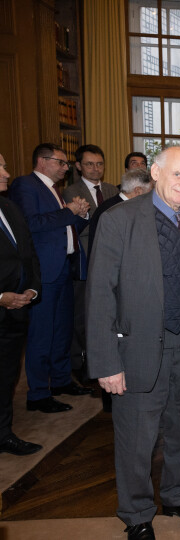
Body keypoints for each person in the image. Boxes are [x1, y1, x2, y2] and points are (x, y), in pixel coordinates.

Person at [86, 146, 180, 539]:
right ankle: (137, 514)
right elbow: (99, 296)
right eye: (178, 175)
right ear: (156, 172)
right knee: (137, 438)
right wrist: (106, 362)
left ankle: (178, 497)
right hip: (138, 347)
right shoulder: (119, 220)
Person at [8, 143, 91, 413]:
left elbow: (66, 226)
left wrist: (81, 214)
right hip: (43, 272)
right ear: (42, 161)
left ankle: (60, 380)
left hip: (63, 267)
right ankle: (38, 394)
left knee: (61, 331)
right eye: (61, 162)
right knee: (41, 334)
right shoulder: (26, 185)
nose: (66, 168)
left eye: (66, 163)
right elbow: (30, 224)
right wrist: (70, 211)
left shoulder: (54, 191)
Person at [62, 144, 119, 378]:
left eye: (99, 164)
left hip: (111, 260)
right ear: (78, 166)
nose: (95, 169)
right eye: (89, 164)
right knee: (82, 315)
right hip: (84, 260)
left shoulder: (112, 189)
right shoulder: (70, 192)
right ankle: (80, 364)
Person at [0, 152, 42, 455]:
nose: (6, 173)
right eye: (0, 166)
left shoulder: (10, 207)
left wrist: (32, 290)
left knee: (6, 378)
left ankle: (3, 434)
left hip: (16, 313)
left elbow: (28, 254)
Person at [88, 168, 153, 256]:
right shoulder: (111, 212)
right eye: (150, 192)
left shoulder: (124, 205)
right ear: (138, 191)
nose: (152, 197)